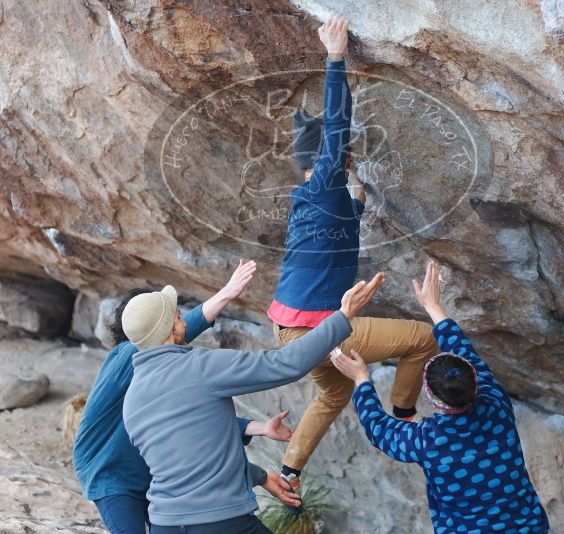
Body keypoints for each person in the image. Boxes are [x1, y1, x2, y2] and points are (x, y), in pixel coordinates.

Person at [268, 11, 438, 510]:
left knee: (333, 396)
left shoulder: (317, 197)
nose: (344, 157)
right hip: (317, 330)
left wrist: (359, 199)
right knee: (423, 338)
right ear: (324, 160)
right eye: (337, 157)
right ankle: (404, 418)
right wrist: (336, 57)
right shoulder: (322, 184)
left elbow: (338, 233)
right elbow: (337, 128)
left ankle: (289, 471)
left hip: (289, 328)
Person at [122, 272, 384, 533]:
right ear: (168, 327)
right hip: (219, 522)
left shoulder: (131, 401)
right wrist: (341, 317)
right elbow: (285, 364)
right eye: (177, 315)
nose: (182, 319)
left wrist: (259, 477)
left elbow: (192, 458)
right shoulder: (200, 366)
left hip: (163, 523)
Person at [73, 260, 298, 533]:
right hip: (111, 476)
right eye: (172, 315)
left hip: (150, 479)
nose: (177, 318)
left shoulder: (161, 373)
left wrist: (260, 431)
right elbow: (174, 329)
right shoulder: (125, 357)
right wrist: (225, 294)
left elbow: (202, 423)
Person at [330, 261, 551, 533]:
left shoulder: (429, 441)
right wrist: (433, 307)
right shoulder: (497, 405)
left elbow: (379, 430)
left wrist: (361, 378)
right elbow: (467, 355)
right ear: (473, 380)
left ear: (433, 399)